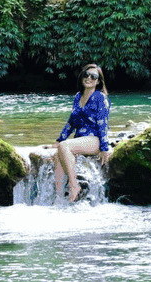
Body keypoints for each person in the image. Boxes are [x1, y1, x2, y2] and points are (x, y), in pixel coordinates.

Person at [46, 63, 110, 202]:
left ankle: (74, 185)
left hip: (95, 139)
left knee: (65, 146)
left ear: (98, 81)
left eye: (93, 76)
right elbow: (71, 122)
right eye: (86, 75)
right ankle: (60, 197)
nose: (89, 78)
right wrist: (59, 140)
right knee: (58, 153)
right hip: (81, 139)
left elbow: (103, 123)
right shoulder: (78, 97)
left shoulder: (101, 98)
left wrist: (104, 148)